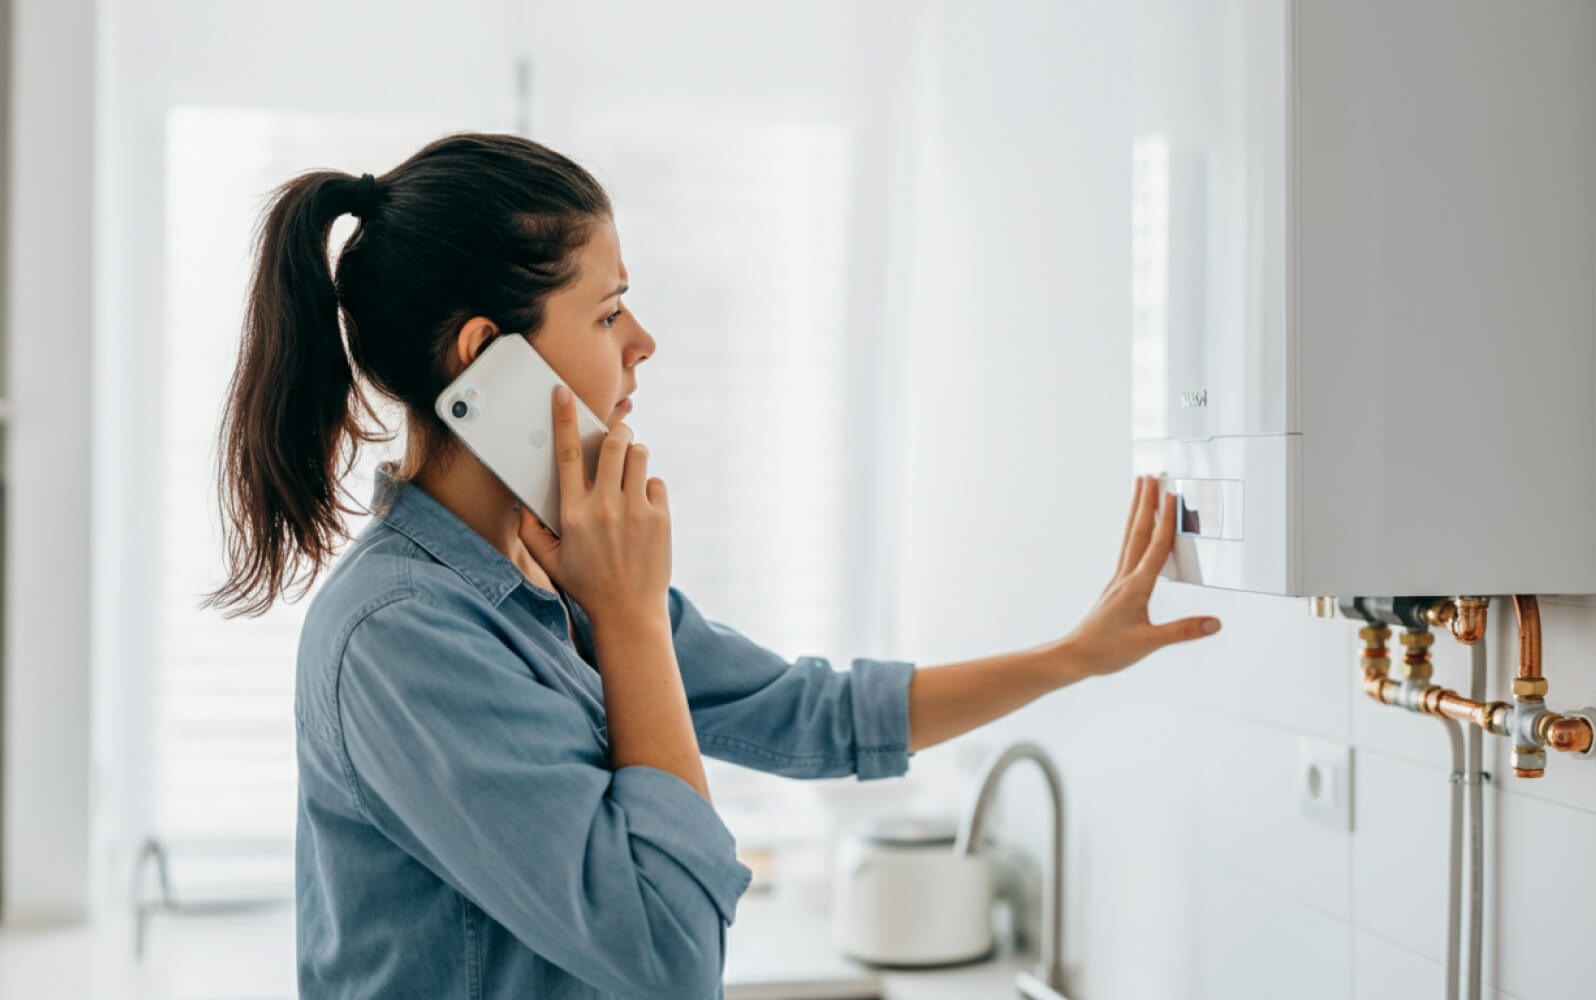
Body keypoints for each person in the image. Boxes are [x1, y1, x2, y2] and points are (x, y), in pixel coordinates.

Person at [204, 131, 1221, 1000]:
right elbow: (669, 954)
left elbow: (809, 714)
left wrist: (1076, 656)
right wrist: (634, 617)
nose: (643, 341)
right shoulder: (403, 636)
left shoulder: (556, 576)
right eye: (607, 313)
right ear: (485, 358)